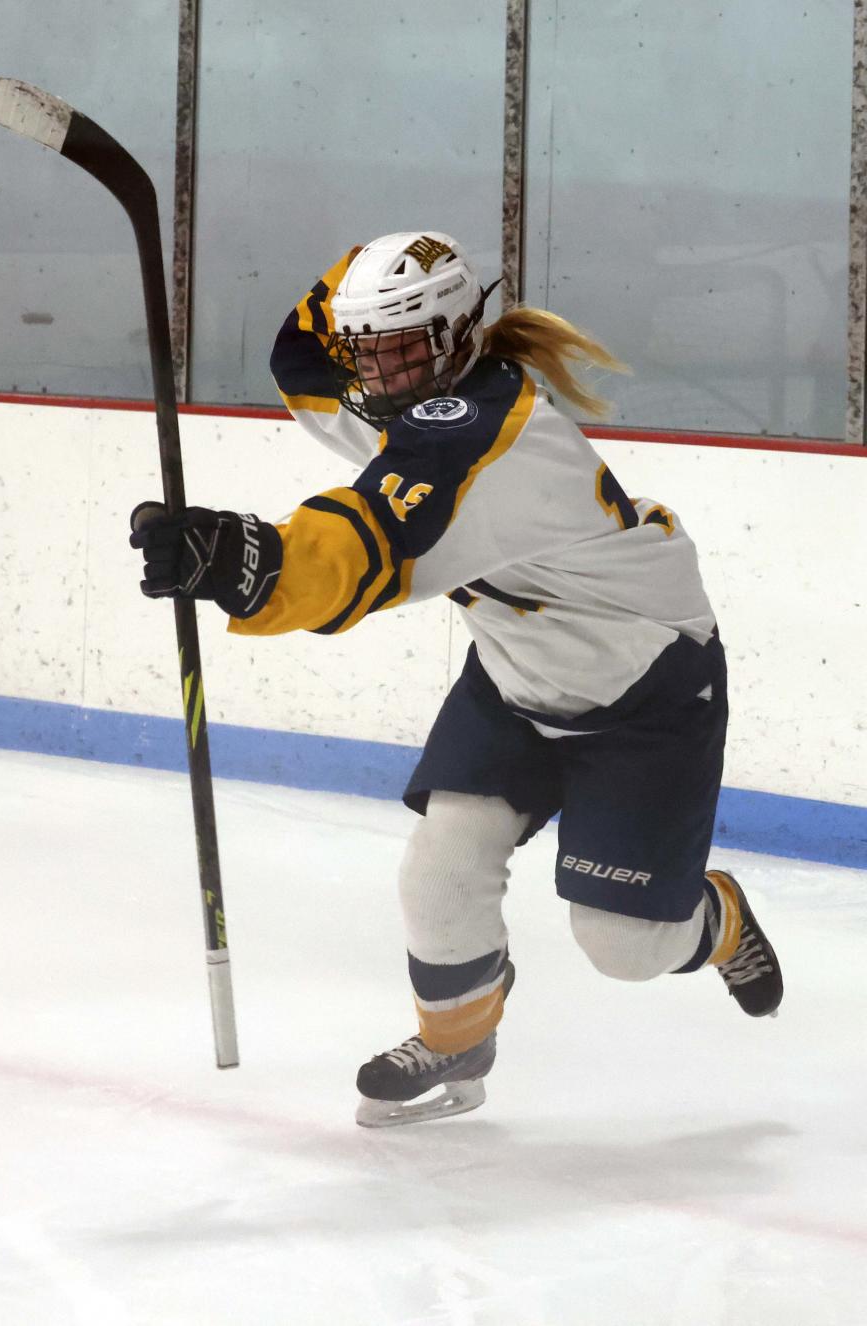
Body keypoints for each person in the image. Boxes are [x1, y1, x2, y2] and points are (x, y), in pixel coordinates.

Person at [130, 231, 783, 1127]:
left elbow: (367, 542)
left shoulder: (490, 437)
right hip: (517, 677)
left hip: (645, 689)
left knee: (626, 946)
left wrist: (248, 560)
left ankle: (720, 921)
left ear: (457, 338)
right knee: (439, 872)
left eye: (401, 346)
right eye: (368, 347)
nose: (379, 372)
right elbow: (300, 350)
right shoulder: (406, 388)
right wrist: (380, 273)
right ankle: (457, 1041)